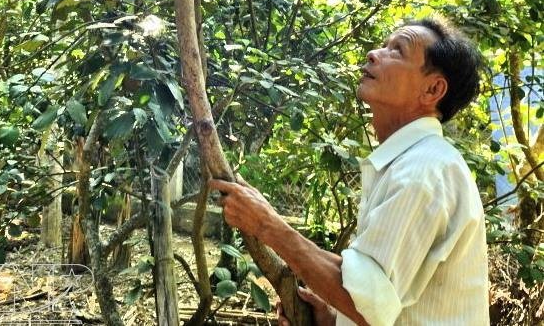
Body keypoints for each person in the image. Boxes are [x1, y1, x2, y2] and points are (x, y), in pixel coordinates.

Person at [210, 17, 490, 326]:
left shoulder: (424, 170)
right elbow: (385, 302)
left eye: (397, 50)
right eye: (384, 45)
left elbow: (368, 303)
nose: (374, 54)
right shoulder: (415, 162)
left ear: (433, 89)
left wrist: (266, 225)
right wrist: (334, 320)